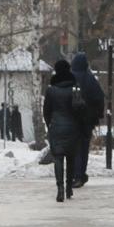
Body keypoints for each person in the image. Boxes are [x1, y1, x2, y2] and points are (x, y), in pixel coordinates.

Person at [41, 58, 85, 202]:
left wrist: (50, 125)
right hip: (73, 127)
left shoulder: (51, 90)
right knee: (71, 158)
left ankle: (60, 189)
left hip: (56, 127)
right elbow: (81, 109)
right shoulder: (75, 88)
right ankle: (69, 188)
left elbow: (46, 111)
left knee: (58, 158)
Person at [69, 52, 107, 187]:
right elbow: (99, 98)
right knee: (83, 148)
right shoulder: (90, 79)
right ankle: (80, 174)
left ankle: (75, 175)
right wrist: (97, 115)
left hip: (71, 119)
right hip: (87, 120)